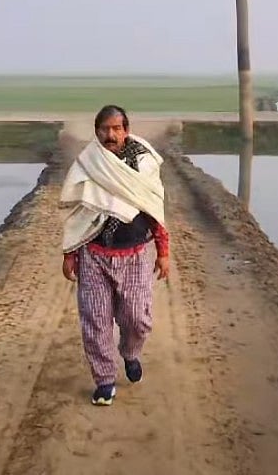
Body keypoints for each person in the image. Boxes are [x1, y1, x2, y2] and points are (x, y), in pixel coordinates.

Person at [60, 104, 169, 406]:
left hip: (134, 255)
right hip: (93, 255)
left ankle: (131, 354)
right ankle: (105, 381)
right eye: (105, 129)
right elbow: (78, 212)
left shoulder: (143, 165)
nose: (111, 134)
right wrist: (70, 253)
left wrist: (163, 251)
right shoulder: (89, 163)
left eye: (116, 128)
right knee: (95, 322)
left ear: (126, 130)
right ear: (97, 132)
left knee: (137, 320)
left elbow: (154, 209)